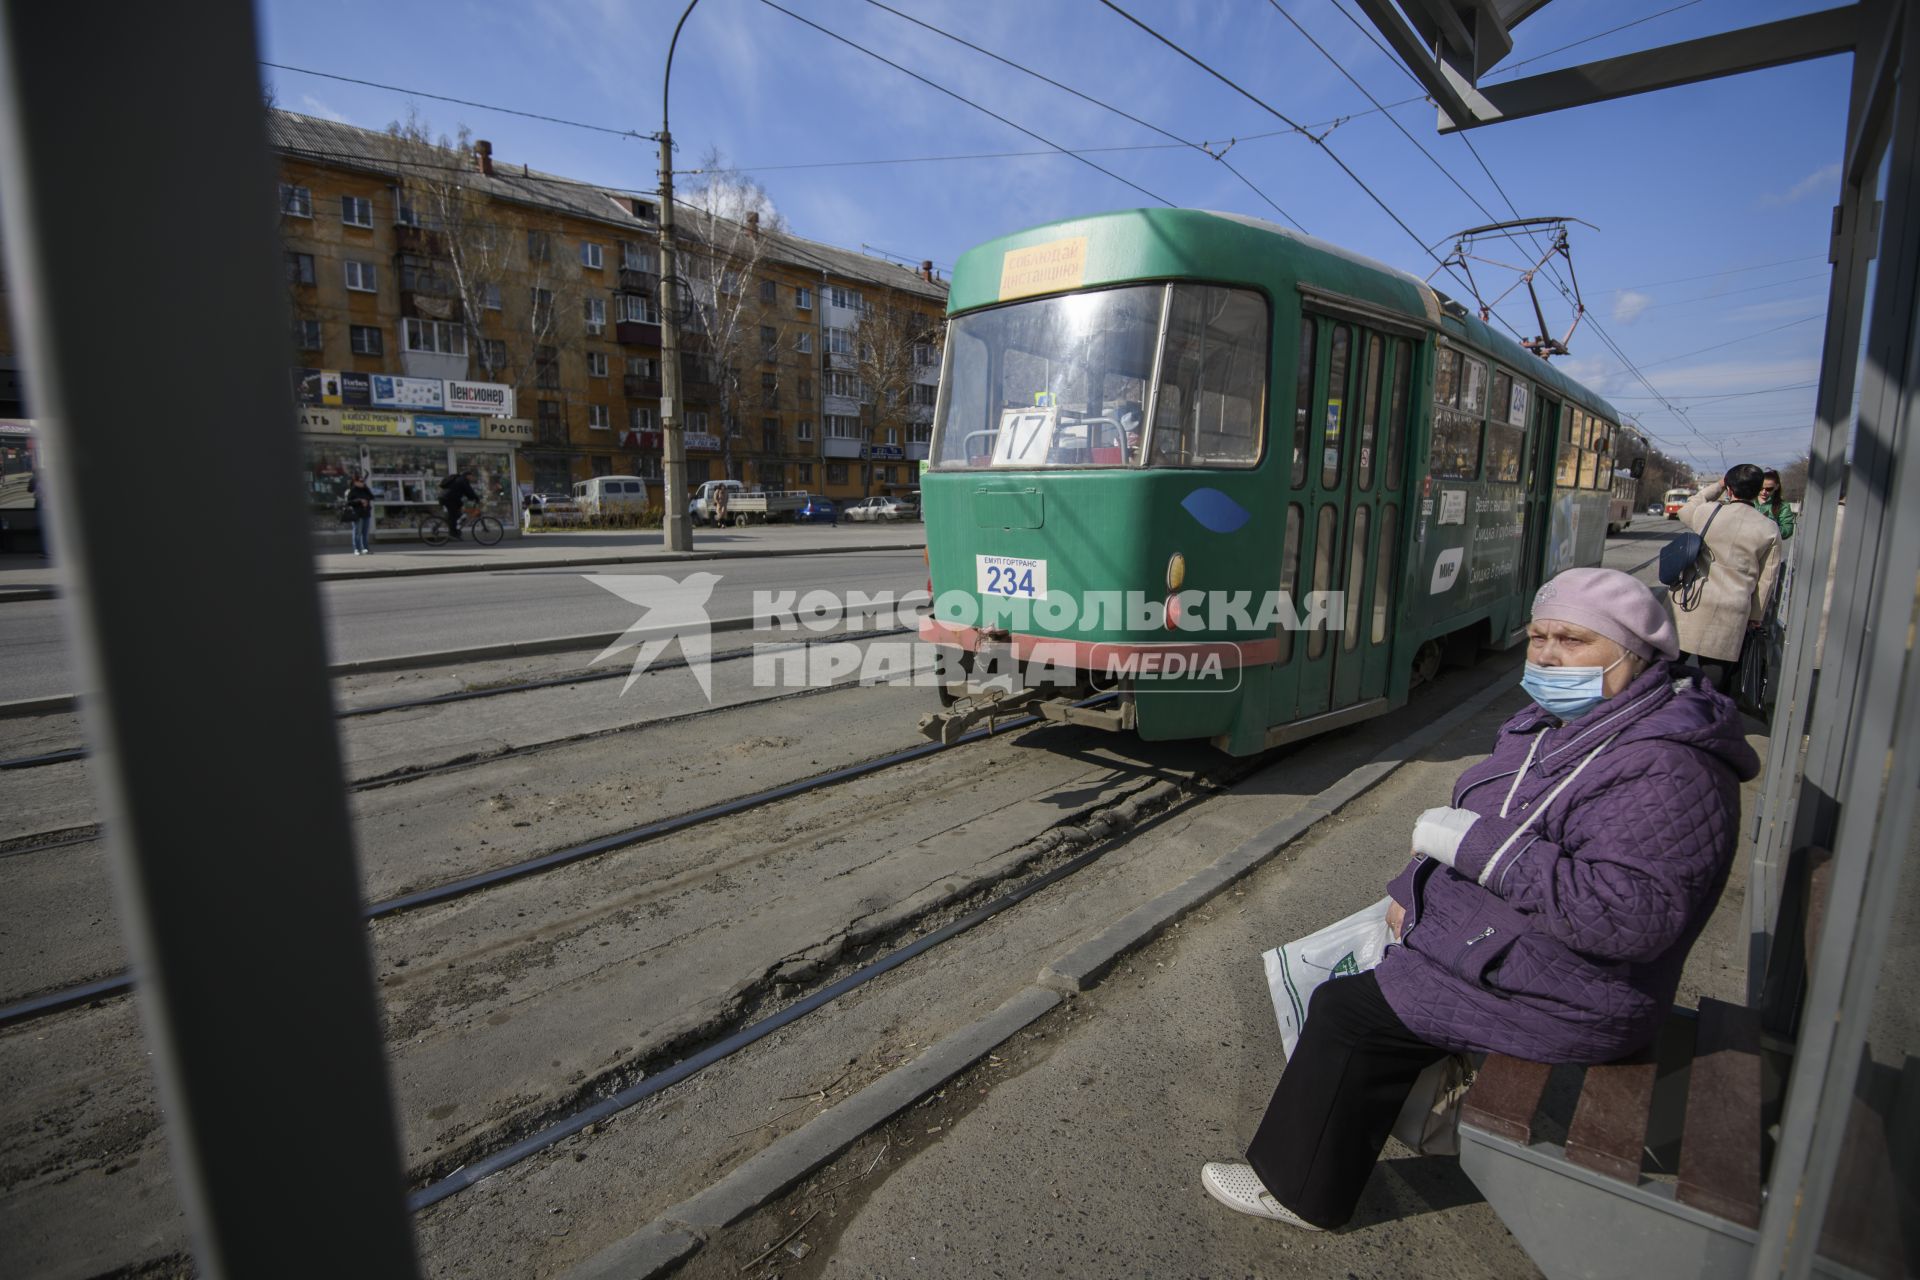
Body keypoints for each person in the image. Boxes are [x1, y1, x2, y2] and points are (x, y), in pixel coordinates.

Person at [1201, 567, 1759, 1232]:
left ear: (1636, 653)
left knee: (1351, 1011)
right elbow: (1481, 828)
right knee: (1363, 974)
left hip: (1578, 992)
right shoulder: (1563, 725)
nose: (1549, 654)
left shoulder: (1667, 768)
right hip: (1537, 956)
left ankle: (1297, 1192)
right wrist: (1414, 889)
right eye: (1539, 637)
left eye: (1575, 640)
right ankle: (1405, 1100)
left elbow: (1625, 916)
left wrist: (1468, 855)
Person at [1672, 464, 1782, 693]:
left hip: (1692, 601)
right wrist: (1755, 616)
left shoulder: (1707, 512)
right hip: (1733, 610)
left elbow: (1686, 508)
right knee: (1713, 683)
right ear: (1758, 490)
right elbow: (1767, 579)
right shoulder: (1769, 529)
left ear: (1730, 490)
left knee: (1668, 666)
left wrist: (1718, 485)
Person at [439, 469, 481, 541]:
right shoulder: (463, 481)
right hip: (448, 499)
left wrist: (472, 498)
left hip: (450, 498)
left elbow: (467, 492)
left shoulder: (460, 479)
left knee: (458, 513)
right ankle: (453, 533)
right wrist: (476, 498)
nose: (472, 478)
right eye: (471, 476)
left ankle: (454, 529)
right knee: (453, 515)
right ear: (467, 476)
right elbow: (469, 491)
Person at [1754, 468, 1795, 541]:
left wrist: (1770, 527)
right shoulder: (1749, 500)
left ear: (1776, 487)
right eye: (1761, 488)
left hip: (1768, 546)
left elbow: (1787, 530)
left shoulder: (1783, 506)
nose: (1764, 492)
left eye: (1769, 489)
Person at [344, 470, 375, 556]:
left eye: (362, 481)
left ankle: (365, 548)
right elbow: (349, 502)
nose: (361, 483)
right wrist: (360, 501)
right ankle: (357, 549)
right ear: (355, 482)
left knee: (365, 533)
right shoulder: (352, 490)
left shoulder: (365, 489)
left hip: (366, 513)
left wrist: (365, 488)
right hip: (357, 513)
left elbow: (372, 497)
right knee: (357, 532)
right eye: (359, 481)